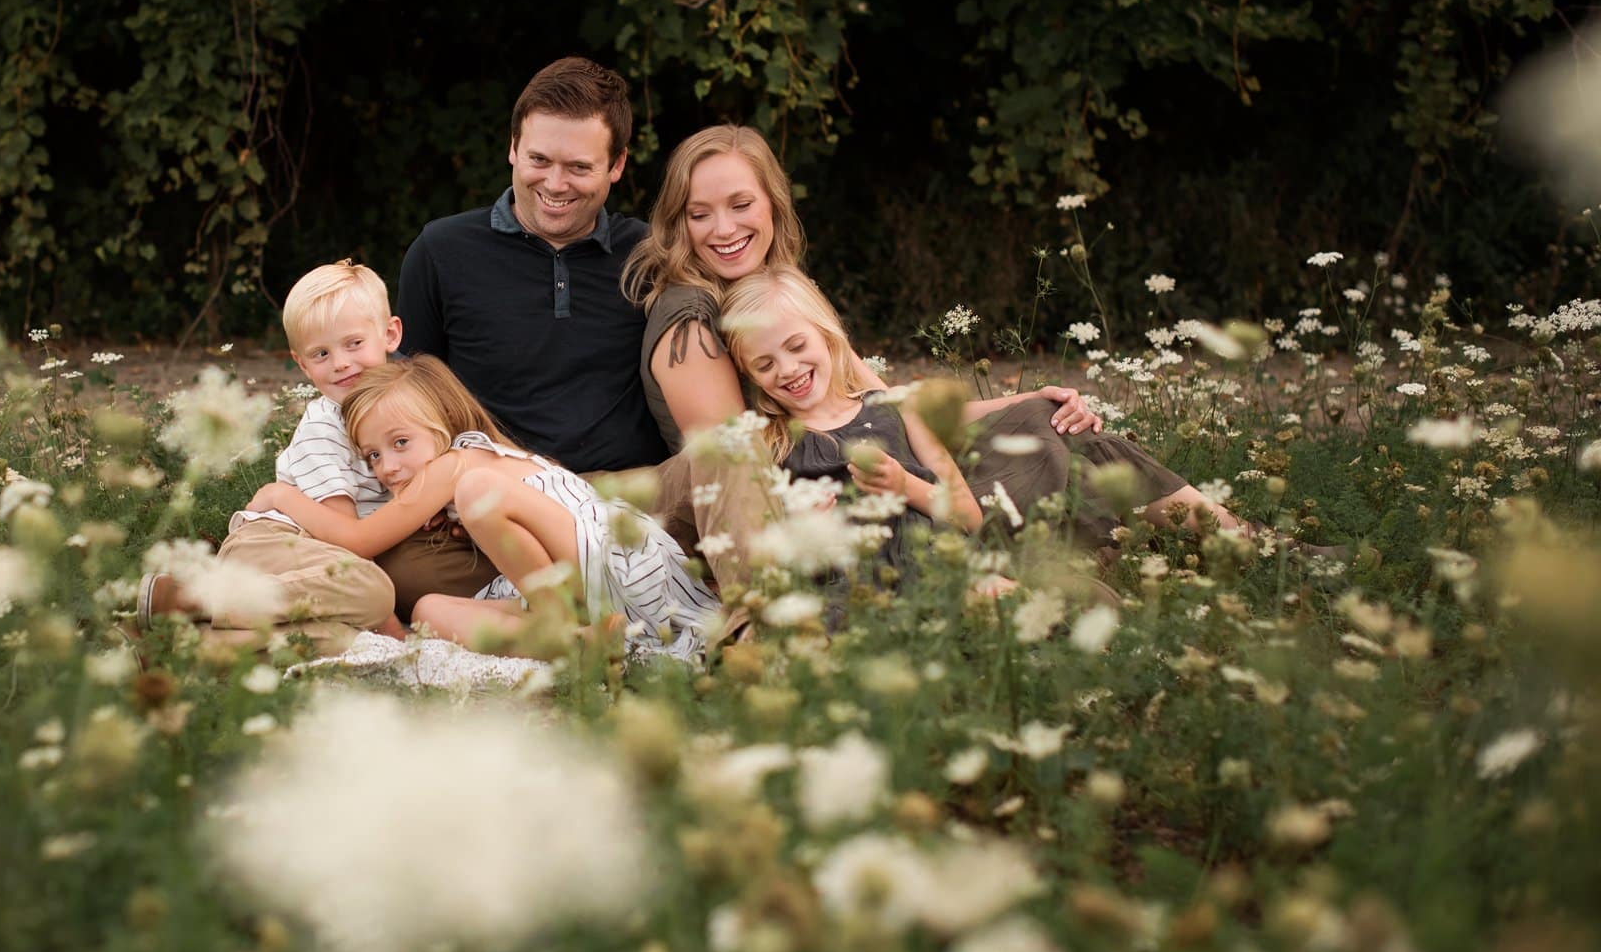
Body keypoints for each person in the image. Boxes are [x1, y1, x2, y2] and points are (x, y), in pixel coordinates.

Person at [389, 58, 764, 617]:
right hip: (500, 505)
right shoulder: (441, 251)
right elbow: (404, 395)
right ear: (513, 148)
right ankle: (623, 599)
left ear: (616, 166)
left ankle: (761, 631)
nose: (555, 184)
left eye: (579, 167)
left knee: (728, 453)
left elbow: (756, 298)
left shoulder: (650, 256)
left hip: (632, 497)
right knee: (393, 577)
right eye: (539, 159)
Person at [621, 124, 1107, 453]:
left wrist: (1026, 399)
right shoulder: (690, 319)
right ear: (679, 223)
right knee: (1042, 441)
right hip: (837, 504)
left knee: (1049, 419)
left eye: (740, 204)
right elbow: (735, 474)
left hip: (878, 468)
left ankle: (1177, 528)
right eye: (699, 214)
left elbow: (887, 408)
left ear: (773, 203)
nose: (723, 230)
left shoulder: (779, 294)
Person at [720, 267, 1254, 554]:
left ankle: (1243, 539)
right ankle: (1225, 542)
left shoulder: (875, 403)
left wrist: (1029, 396)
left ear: (829, 336)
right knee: (1075, 454)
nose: (786, 369)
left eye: (795, 347)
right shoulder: (774, 437)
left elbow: (924, 413)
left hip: (944, 516)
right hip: (929, 548)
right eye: (764, 363)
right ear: (748, 373)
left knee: (1072, 433)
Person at [246, 357, 719, 662]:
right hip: (579, 590)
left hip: (615, 560)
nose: (387, 468)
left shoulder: (460, 465)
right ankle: (573, 645)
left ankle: (561, 626)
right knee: (429, 613)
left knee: (477, 492)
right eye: (372, 455)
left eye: (401, 443)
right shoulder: (464, 470)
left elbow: (358, 540)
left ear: (443, 425)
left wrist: (280, 496)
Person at [134, 261, 408, 653]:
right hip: (273, 545)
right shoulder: (324, 427)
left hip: (310, 567)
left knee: (346, 643)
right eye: (321, 353)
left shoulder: (401, 407)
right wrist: (390, 622)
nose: (341, 363)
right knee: (372, 591)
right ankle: (192, 596)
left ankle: (187, 649)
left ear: (389, 334)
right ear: (301, 363)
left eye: (354, 344)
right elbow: (346, 538)